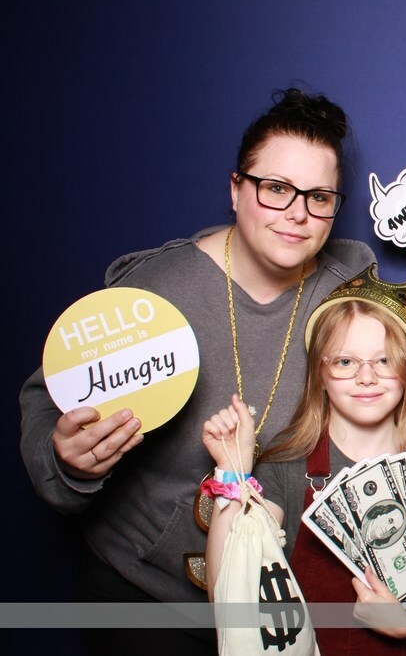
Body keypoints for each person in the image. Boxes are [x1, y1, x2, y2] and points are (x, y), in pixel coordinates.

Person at [18, 87, 375, 655]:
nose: (297, 213)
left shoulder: (349, 299)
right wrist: (67, 461)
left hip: (275, 604)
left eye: (318, 197)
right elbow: (48, 399)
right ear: (236, 190)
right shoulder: (155, 291)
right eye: (275, 188)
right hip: (143, 595)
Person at [202, 264, 406, 654]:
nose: (366, 377)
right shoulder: (288, 466)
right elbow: (229, 594)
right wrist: (231, 471)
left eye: (384, 360)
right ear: (320, 373)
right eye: (345, 362)